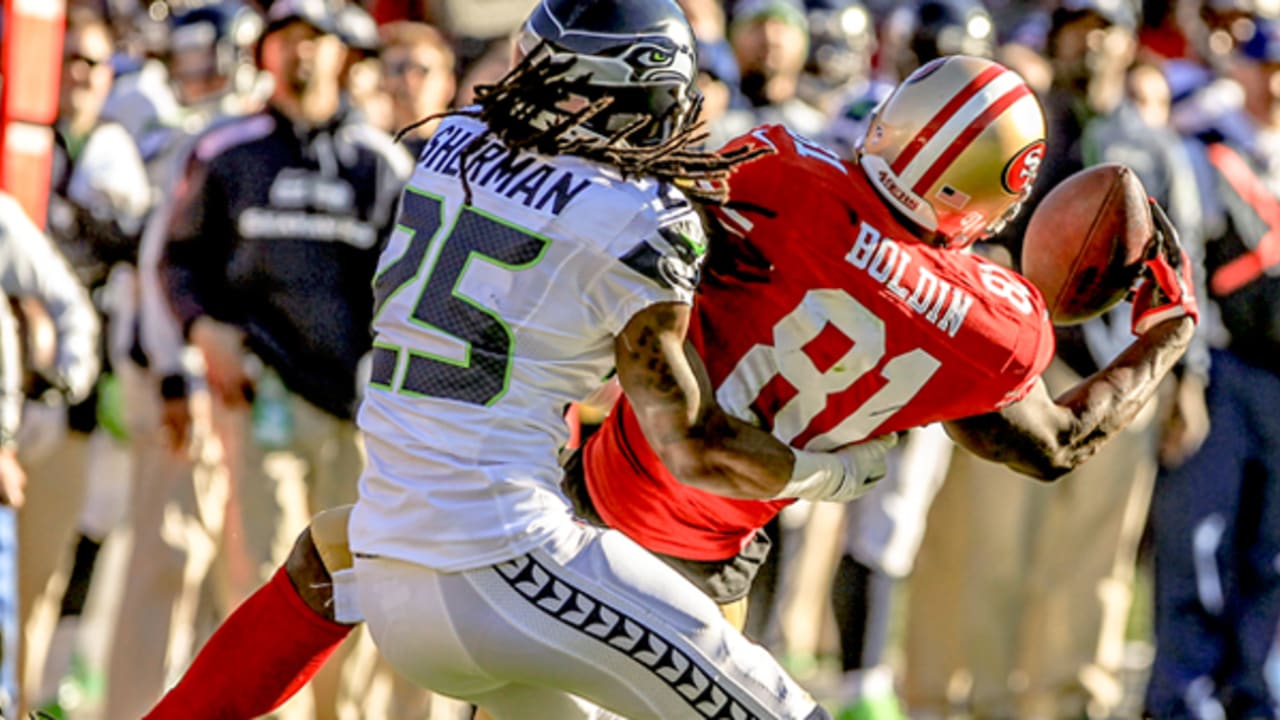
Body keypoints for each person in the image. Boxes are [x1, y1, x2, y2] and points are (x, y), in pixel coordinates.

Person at [148, 49, 1200, 718]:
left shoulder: (770, 170)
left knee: (341, 549)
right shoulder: (989, 326)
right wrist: (1160, 328)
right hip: (681, 551)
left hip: (577, 496)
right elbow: (1045, 439)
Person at [143, 0, 411, 717]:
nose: (301, 54)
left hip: (362, 408)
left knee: (357, 587)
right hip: (262, 393)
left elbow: (415, 288)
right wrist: (205, 329)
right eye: (286, 39)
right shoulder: (231, 153)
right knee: (265, 579)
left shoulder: (381, 163)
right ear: (264, 53)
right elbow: (178, 261)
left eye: (316, 41)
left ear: (344, 56)